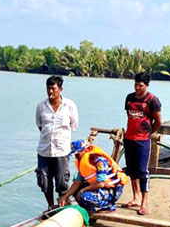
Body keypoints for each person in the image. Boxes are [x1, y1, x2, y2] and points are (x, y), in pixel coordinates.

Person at [35, 75, 79, 211]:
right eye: (48, 88)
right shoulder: (41, 106)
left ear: (60, 89)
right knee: (44, 182)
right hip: (44, 150)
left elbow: (74, 125)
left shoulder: (70, 106)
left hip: (62, 151)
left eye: (53, 88)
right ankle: (50, 206)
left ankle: (62, 205)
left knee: (61, 181)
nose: (50, 92)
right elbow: (40, 125)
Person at [122, 72, 162, 215]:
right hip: (129, 138)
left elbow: (158, 121)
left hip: (143, 140)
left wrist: (148, 133)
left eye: (141, 85)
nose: (138, 88)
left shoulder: (152, 100)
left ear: (147, 85)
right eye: (136, 85)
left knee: (142, 171)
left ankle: (144, 202)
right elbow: (129, 115)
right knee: (132, 170)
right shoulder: (130, 97)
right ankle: (136, 197)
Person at [59, 140, 129, 214]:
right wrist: (65, 197)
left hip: (112, 190)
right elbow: (77, 182)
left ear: (84, 150)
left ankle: (109, 205)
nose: (76, 156)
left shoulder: (99, 161)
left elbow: (101, 183)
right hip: (99, 187)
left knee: (84, 196)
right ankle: (90, 210)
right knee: (76, 192)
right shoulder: (82, 163)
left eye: (77, 154)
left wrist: (83, 190)